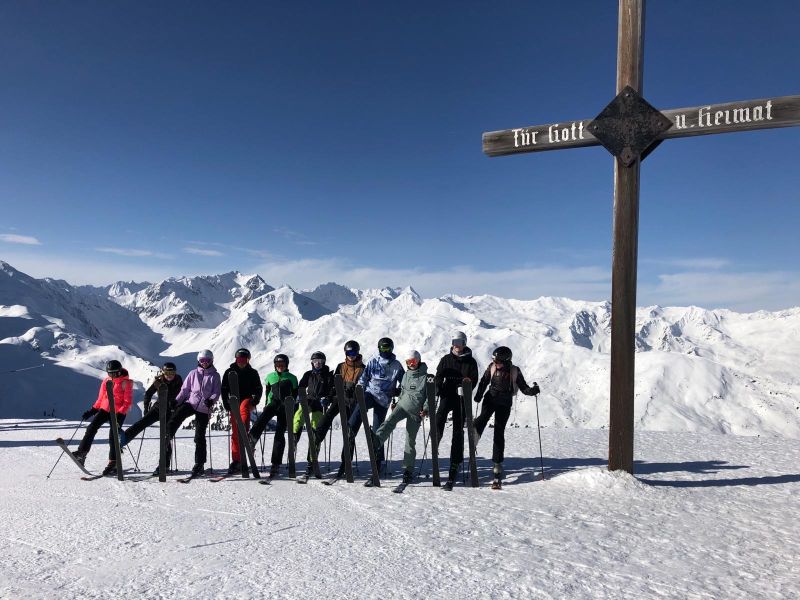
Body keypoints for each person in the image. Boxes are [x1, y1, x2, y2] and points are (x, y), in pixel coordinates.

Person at [473, 346, 540, 487]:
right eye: (494, 360)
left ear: (506, 360)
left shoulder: (514, 371)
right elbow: (484, 381)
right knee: (481, 420)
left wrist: (532, 391)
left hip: (504, 403)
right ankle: (473, 437)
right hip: (490, 398)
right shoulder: (492, 367)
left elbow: (523, 387)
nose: (495, 363)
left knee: (499, 432)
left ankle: (497, 464)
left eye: (498, 361)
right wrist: (479, 394)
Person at [156, 349, 221, 478]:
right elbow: (185, 390)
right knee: (176, 417)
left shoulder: (215, 376)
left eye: (207, 361)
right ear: (198, 361)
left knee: (199, 436)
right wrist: (176, 401)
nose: (204, 363)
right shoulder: (193, 374)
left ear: (212, 361)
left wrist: (211, 400)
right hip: (191, 403)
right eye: (202, 361)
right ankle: (168, 434)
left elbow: (216, 391)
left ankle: (199, 464)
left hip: (203, 407)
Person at [348, 337, 404, 483]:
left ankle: (378, 462)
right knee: (361, 405)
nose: (385, 351)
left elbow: (404, 382)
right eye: (383, 348)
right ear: (379, 348)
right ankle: (351, 428)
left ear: (391, 349)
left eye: (388, 348)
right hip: (370, 393)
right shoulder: (374, 361)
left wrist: (397, 392)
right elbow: (364, 377)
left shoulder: (397, 365)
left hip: (384, 399)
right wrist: (360, 388)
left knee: (378, 431)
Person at [371, 350, 429, 485]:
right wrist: (397, 402)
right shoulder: (406, 375)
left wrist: (426, 409)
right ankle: (376, 441)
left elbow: (430, 396)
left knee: (410, 441)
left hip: (415, 412)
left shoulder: (426, 377)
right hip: (402, 406)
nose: (411, 364)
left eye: (413, 361)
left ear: (418, 360)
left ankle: (408, 470)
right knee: (389, 421)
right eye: (408, 362)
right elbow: (403, 391)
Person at [313, 340, 364, 480]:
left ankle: (345, 463)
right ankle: (315, 442)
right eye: (348, 353)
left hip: (353, 402)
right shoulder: (340, 367)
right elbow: (334, 386)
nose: (351, 356)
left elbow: (363, 387)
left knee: (349, 432)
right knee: (325, 419)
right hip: (338, 399)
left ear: (357, 352)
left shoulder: (363, 369)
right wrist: (329, 398)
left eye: (353, 353)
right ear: (345, 353)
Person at [73, 360, 134, 476]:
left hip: (118, 412)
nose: (112, 375)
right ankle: (82, 453)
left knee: (113, 437)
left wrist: (120, 413)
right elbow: (101, 398)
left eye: (114, 373)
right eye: (109, 373)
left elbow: (128, 402)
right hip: (105, 409)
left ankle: (113, 463)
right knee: (91, 428)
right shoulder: (106, 381)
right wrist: (93, 410)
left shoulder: (126, 383)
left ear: (119, 372)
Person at [434, 331, 479, 487]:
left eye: (460, 342)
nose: (457, 345)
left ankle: (456, 461)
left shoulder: (471, 362)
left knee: (458, 431)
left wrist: (467, 384)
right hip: (447, 394)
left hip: (461, 398)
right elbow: (439, 375)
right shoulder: (446, 359)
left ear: (464, 343)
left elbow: (475, 378)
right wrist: (438, 387)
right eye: (454, 341)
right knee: (439, 418)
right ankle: (435, 444)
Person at [248, 354, 298, 477]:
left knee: (280, 433)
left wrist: (293, 406)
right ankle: (252, 438)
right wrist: (266, 404)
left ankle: (276, 463)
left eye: (282, 365)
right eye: (277, 365)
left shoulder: (292, 378)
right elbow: (268, 392)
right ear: (275, 366)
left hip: (286, 406)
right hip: (274, 403)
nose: (280, 367)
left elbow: (295, 394)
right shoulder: (270, 377)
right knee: (262, 419)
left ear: (286, 365)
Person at [118, 362, 183, 452]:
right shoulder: (159, 382)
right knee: (142, 423)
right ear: (163, 372)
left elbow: (183, 394)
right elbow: (148, 394)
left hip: (170, 410)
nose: (170, 375)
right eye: (167, 373)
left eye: (172, 373)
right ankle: (124, 438)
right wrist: (146, 408)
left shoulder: (178, 380)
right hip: (158, 408)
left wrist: (178, 405)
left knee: (166, 436)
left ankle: (165, 464)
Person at [220, 348, 263, 475]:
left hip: (247, 400)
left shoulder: (253, 372)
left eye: (244, 360)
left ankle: (244, 432)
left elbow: (258, 388)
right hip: (234, 402)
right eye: (239, 359)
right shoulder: (229, 372)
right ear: (235, 359)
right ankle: (236, 461)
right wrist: (226, 402)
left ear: (248, 360)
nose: (241, 362)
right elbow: (224, 389)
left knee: (243, 410)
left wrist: (256, 400)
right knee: (235, 434)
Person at [293, 351, 335, 478]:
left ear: (324, 362)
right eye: (315, 361)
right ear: (312, 362)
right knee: (299, 415)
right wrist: (300, 397)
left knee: (316, 430)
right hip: (309, 400)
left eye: (320, 362)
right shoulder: (308, 374)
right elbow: (301, 387)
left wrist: (328, 399)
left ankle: (311, 461)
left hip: (319, 404)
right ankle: (294, 436)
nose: (318, 364)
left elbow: (333, 391)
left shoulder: (328, 376)